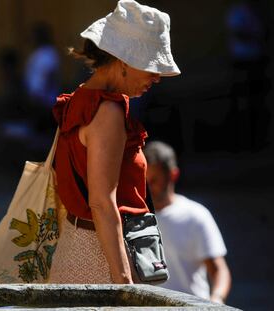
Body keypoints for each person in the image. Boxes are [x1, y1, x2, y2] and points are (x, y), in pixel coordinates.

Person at [49, 0, 180, 284]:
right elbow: (101, 203)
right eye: (151, 67)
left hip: (77, 246)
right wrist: (123, 283)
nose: (157, 78)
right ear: (124, 60)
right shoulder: (107, 111)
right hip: (101, 257)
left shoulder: (79, 100)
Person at [144, 141, 231, 303]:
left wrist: (216, 301)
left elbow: (219, 270)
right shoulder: (136, 218)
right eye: (145, 180)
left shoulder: (196, 215)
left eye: (154, 180)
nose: (148, 187)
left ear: (173, 175)